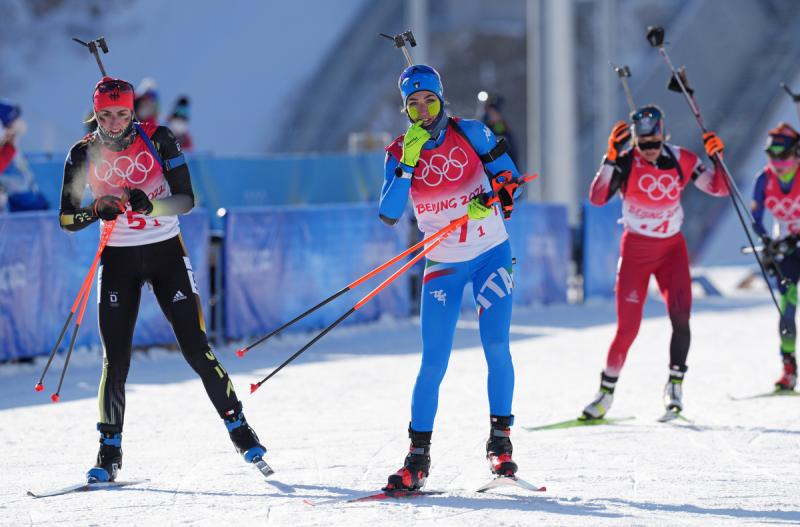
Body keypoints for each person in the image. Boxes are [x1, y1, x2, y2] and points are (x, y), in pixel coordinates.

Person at [58, 76, 267, 482]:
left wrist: (150, 204)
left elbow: (186, 200)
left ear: (133, 111)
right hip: (117, 260)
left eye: (121, 113)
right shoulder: (83, 153)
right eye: (105, 115)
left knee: (195, 348)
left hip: (166, 253)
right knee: (115, 360)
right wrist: (96, 209)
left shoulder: (159, 138)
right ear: (95, 114)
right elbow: (68, 218)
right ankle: (109, 450)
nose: (114, 123)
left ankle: (239, 427)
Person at [379, 64, 522, 490]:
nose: (423, 110)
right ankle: (417, 459)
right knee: (433, 362)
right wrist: (409, 160)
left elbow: (512, 182)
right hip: (442, 264)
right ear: (405, 109)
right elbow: (388, 214)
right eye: (413, 104)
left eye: (429, 100)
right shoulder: (398, 151)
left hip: (490, 254)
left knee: (496, 347)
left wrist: (491, 199)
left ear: (441, 99)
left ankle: (501, 446)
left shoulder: (472, 133)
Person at [583, 105, 729, 419]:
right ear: (635, 141)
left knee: (681, 318)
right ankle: (605, 394)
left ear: (663, 135)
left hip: (671, 251)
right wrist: (609, 160)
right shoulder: (624, 163)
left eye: (654, 143)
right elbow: (596, 198)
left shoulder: (683, 159)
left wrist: (717, 157)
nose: (649, 151)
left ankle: (674, 387)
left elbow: (719, 188)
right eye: (643, 145)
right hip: (636, 250)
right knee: (628, 328)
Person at [751, 122, 800, 392]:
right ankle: (789, 368)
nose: (777, 162)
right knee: (788, 306)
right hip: (788, 251)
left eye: (783, 155)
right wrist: (767, 243)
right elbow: (756, 219)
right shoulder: (764, 179)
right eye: (771, 155)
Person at [480, 93, 519, 166]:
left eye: (494, 113)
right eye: (490, 113)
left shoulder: (503, 128)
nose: (492, 115)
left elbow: (513, 152)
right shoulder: (483, 127)